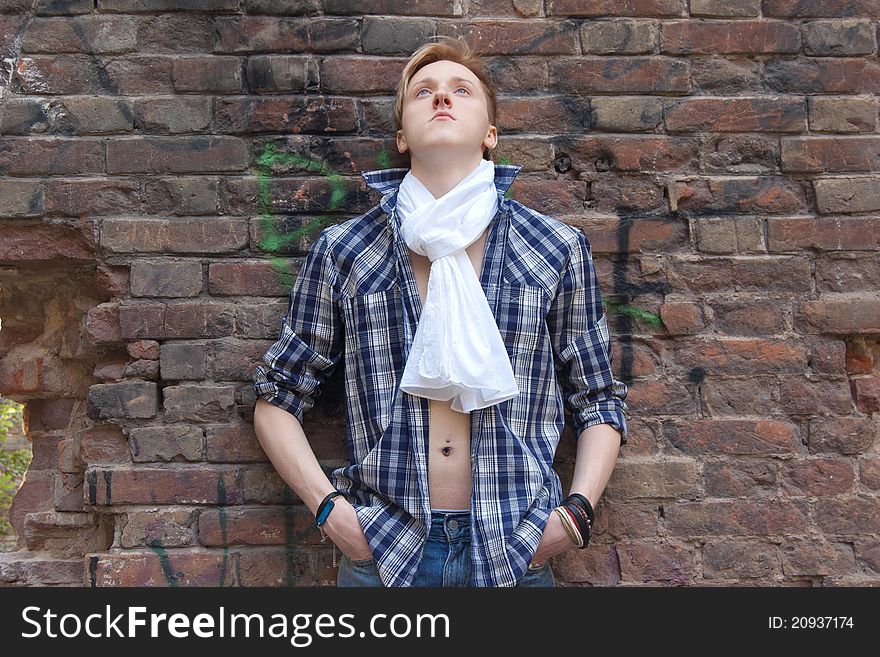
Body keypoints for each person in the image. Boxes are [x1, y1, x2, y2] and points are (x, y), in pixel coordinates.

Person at [252, 36, 628, 587]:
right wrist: (332, 512)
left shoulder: (553, 248)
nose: (441, 98)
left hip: (514, 551)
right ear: (402, 136)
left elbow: (596, 399)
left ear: (490, 132)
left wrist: (573, 518)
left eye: (461, 90)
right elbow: (275, 397)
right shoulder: (348, 251)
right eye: (422, 92)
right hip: (386, 551)